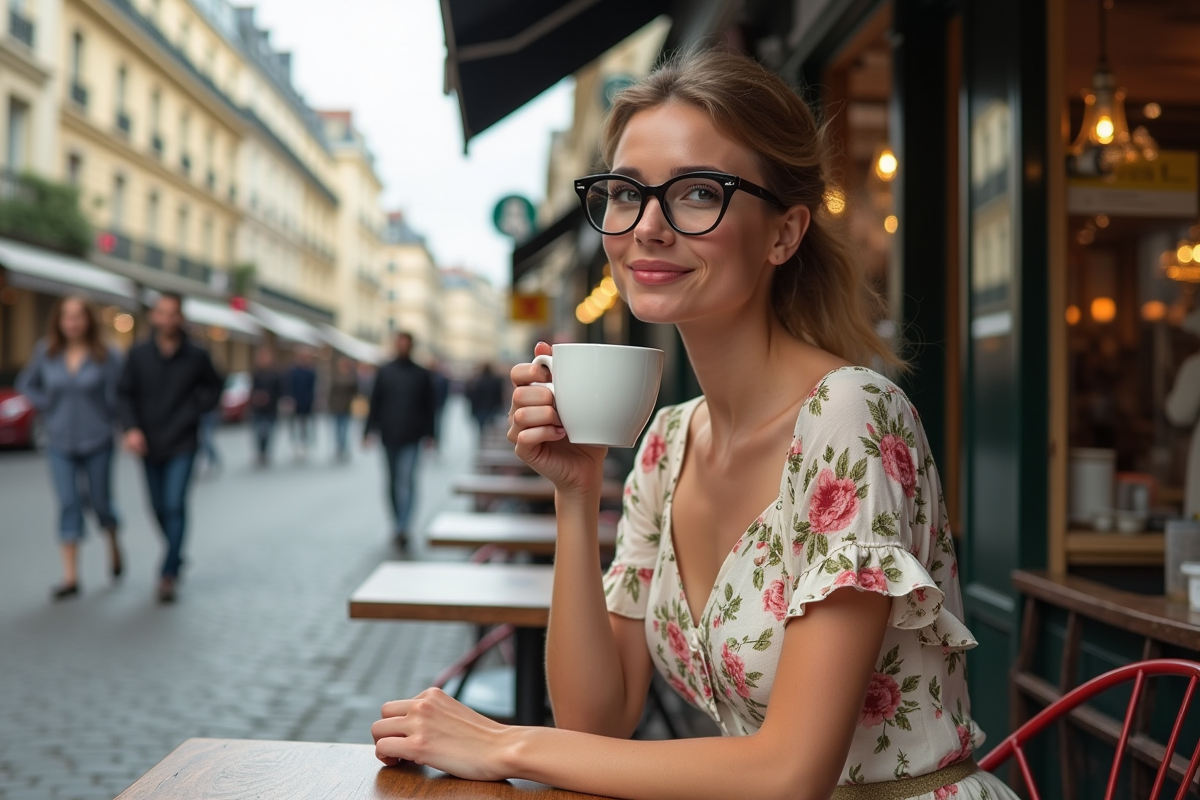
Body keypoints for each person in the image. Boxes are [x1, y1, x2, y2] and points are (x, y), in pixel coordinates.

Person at [370, 50, 1017, 800]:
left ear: (784, 234)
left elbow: (788, 771)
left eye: (697, 193)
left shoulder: (848, 416)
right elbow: (597, 719)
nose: (646, 226)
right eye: (624, 194)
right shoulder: (669, 442)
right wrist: (575, 496)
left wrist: (505, 744)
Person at [16, 296, 124, 600]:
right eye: (67, 317)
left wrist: (120, 426)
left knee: (100, 502)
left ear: (88, 320)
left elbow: (119, 396)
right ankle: (71, 577)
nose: (73, 322)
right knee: (68, 502)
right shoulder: (46, 352)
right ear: (59, 321)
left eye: (78, 316)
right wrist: (45, 405)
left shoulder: (107, 355)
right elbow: (27, 385)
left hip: (98, 439)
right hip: (59, 440)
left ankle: (113, 539)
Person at [118, 292, 223, 603]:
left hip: (183, 441)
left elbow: (215, 387)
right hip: (148, 442)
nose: (166, 319)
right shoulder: (138, 354)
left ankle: (167, 573)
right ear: (154, 316)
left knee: (174, 503)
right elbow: (124, 394)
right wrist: (131, 429)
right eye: (161, 313)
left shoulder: (197, 355)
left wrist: (194, 410)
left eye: (172, 313)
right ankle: (175, 553)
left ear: (181, 317)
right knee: (158, 507)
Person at [363, 332, 436, 550]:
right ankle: (397, 522)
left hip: (412, 436)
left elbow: (430, 407)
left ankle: (403, 526)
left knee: (406, 480)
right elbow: (374, 402)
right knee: (393, 481)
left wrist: (432, 434)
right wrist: (368, 430)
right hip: (389, 434)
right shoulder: (385, 372)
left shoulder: (421, 374)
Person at [249, 346, 284, 467]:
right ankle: (261, 452)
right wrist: (256, 397)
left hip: (271, 408)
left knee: (268, 432)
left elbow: (280, 390)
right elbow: (252, 389)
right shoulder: (256, 373)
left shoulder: (275, 374)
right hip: (258, 408)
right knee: (259, 432)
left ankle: (265, 452)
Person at [285, 347, 318, 461]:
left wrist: (314, 400)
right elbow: (289, 386)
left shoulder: (311, 371)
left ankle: (304, 444)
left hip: (307, 402)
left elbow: (314, 387)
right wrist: (290, 399)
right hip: (295, 402)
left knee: (305, 424)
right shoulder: (294, 371)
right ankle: (296, 444)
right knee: (294, 424)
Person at [327, 356, 358, 462]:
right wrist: (330, 404)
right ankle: (340, 448)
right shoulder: (336, 376)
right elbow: (331, 392)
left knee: (344, 429)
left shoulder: (351, 377)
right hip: (337, 406)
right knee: (338, 428)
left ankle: (343, 447)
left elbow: (355, 392)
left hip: (347, 406)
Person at [465, 363, 504, 437]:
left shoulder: (477, 381)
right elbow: (499, 394)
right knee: (491, 425)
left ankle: (482, 438)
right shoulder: (496, 380)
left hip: (479, 407)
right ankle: (490, 439)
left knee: (481, 425)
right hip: (492, 406)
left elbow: (472, 394)